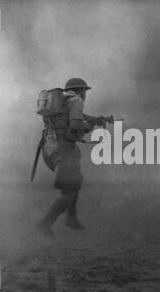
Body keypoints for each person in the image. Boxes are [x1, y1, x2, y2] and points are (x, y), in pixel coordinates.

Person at [37, 78, 97, 237]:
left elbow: (70, 119)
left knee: (75, 181)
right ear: (80, 91)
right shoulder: (76, 101)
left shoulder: (60, 102)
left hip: (49, 150)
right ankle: (46, 222)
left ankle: (71, 217)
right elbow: (75, 126)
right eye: (85, 91)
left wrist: (96, 119)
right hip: (63, 150)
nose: (85, 95)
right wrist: (90, 127)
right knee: (69, 191)